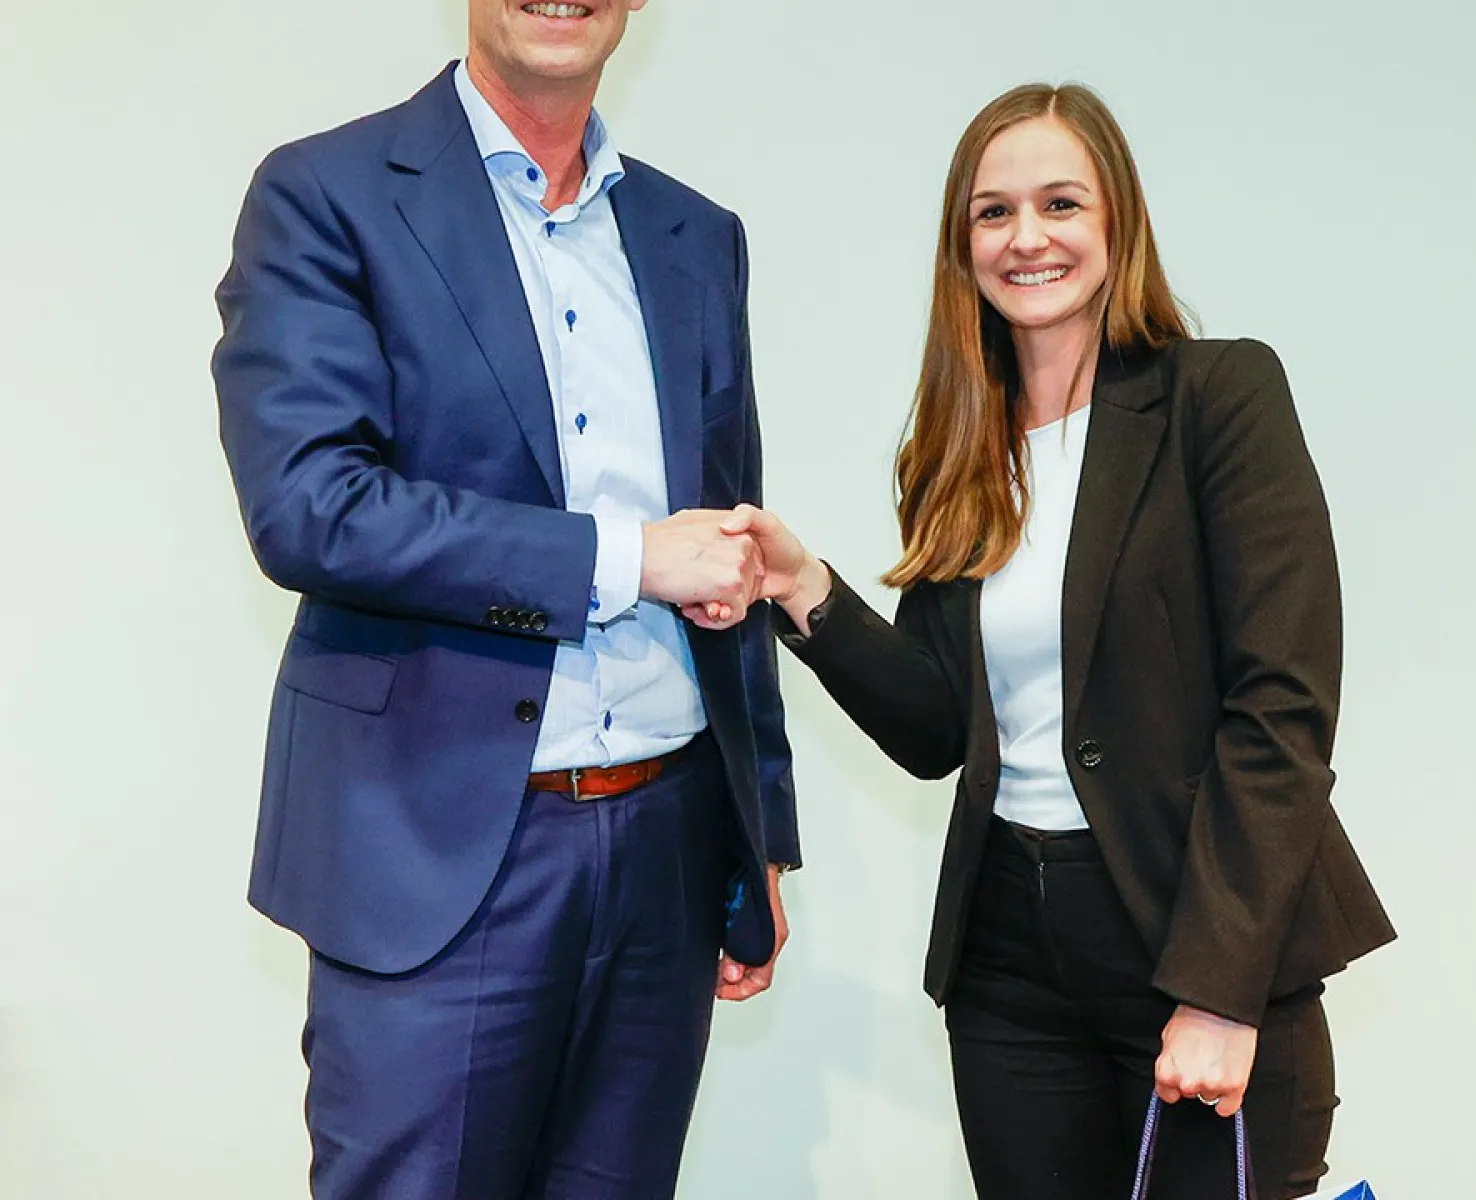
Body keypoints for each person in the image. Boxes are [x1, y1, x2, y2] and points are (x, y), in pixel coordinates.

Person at [696, 83, 1396, 1199]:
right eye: (992, 212)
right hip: (1009, 972)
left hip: (1194, 941)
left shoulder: (1219, 396)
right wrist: (803, 589)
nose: (1026, 237)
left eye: (1059, 203)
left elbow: (1281, 713)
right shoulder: (954, 455)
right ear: (959, 244)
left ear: (1115, 219)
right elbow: (938, 730)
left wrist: (1219, 991)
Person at [211, 2, 799, 1196]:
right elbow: (312, 506)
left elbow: (733, 548)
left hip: (667, 849)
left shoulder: (697, 234)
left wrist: (759, 833)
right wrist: (628, 559)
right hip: (437, 851)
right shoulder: (327, 193)